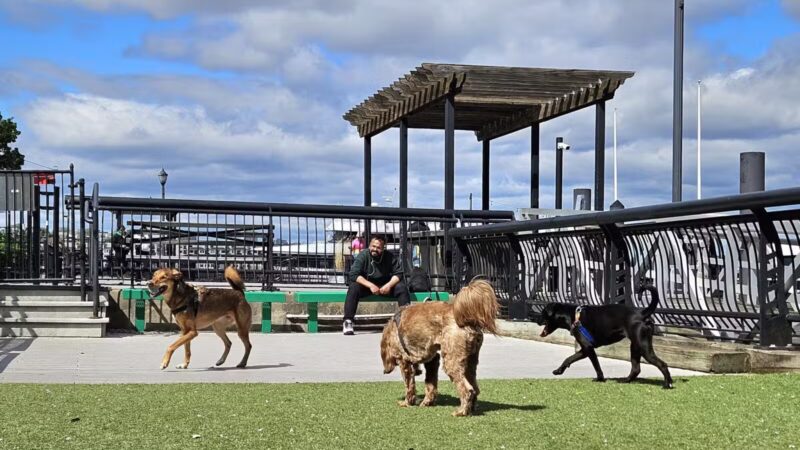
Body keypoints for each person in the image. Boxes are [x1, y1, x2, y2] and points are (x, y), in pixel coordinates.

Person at [343, 236, 409, 335]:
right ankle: (348, 321)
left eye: (378, 247)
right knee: (353, 287)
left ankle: (406, 322)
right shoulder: (363, 255)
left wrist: (389, 285)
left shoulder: (389, 256)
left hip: (385, 287)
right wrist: (370, 285)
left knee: (402, 288)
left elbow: (399, 274)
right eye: (373, 246)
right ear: (369, 245)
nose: (375, 249)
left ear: (383, 248)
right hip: (367, 286)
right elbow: (353, 274)